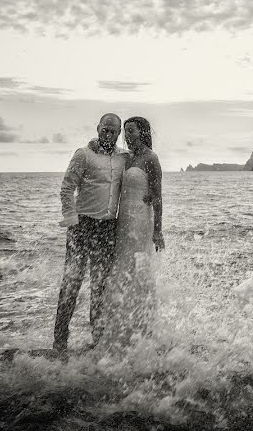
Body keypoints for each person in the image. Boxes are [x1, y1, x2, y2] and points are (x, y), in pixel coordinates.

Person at [53, 112, 129, 354]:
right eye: (105, 129)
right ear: (98, 128)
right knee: (71, 284)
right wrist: (72, 219)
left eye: (113, 130)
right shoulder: (83, 154)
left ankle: (97, 341)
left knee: (100, 287)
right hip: (82, 225)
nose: (108, 133)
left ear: (119, 134)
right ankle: (60, 341)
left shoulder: (122, 158)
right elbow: (67, 188)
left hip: (107, 227)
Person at [93, 115, 164, 348]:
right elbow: (104, 154)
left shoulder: (151, 159)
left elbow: (158, 198)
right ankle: (119, 329)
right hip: (122, 221)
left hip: (141, 222)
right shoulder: (126, 158)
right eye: (125, 132)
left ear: (142, 133)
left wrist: (158, 231)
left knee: (138, 270)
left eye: (131, 131)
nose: (127, 136)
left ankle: (144, 329)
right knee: (120, 270)